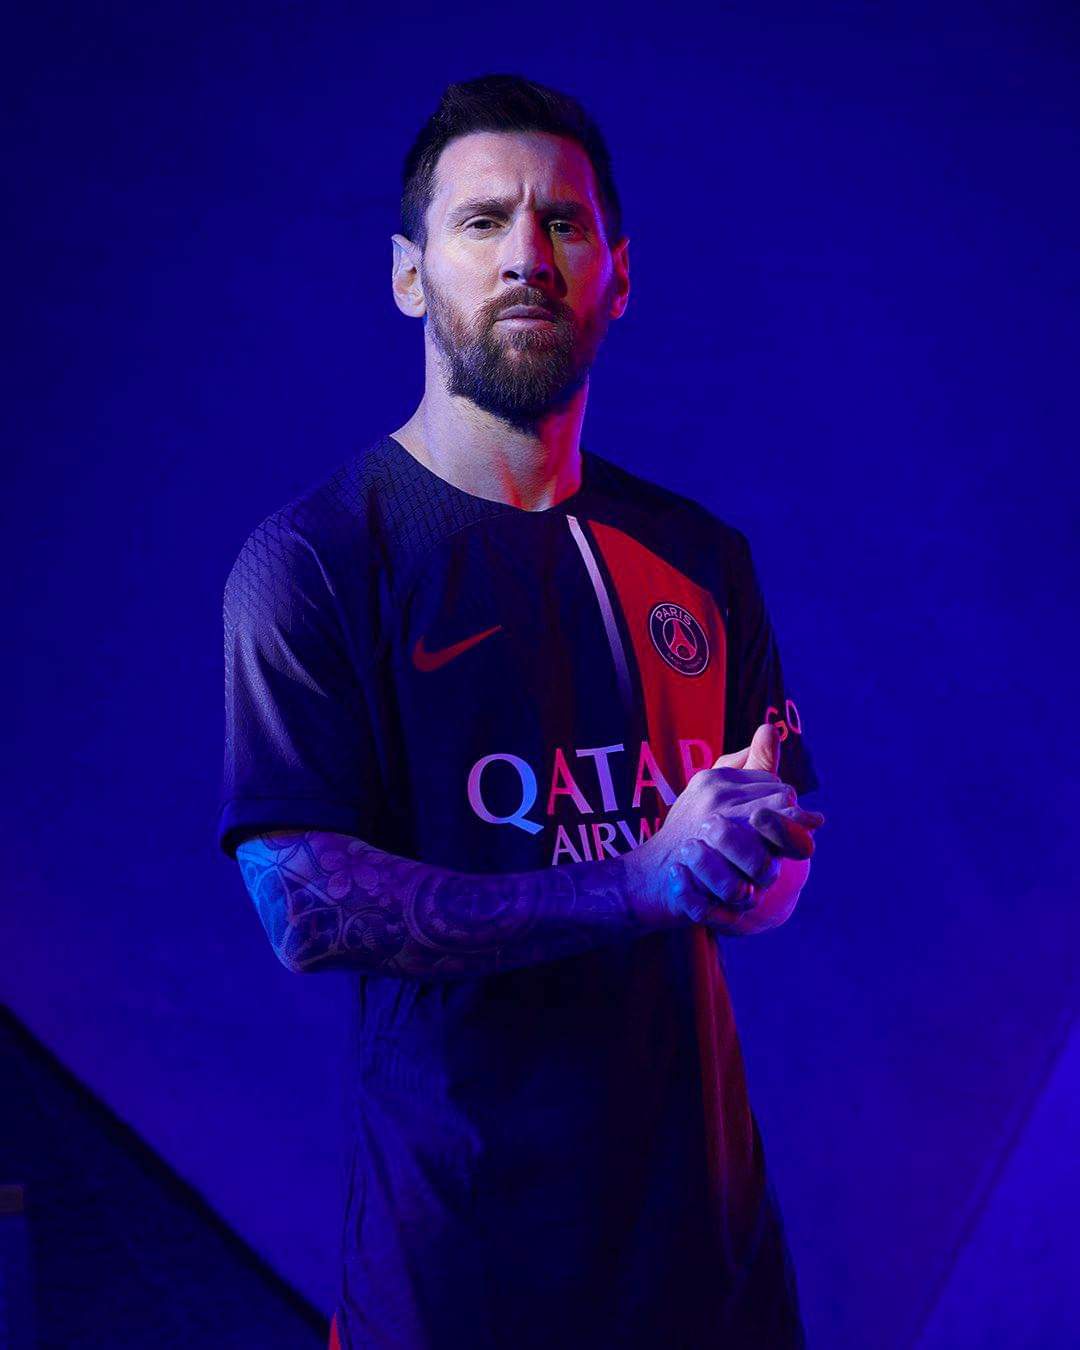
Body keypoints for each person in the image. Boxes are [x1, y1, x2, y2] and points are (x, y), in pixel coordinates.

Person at [217, 73, 826, 1350]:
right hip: (458, 1282)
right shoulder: (318, 561)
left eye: (563, 223)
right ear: (409, 274)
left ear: (618, 275)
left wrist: (751, 857)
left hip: (712, 1272)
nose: (526, 256)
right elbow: (303, 906)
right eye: (483, 221)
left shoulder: (699, 555)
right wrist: (640, 881)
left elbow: (768, 887)